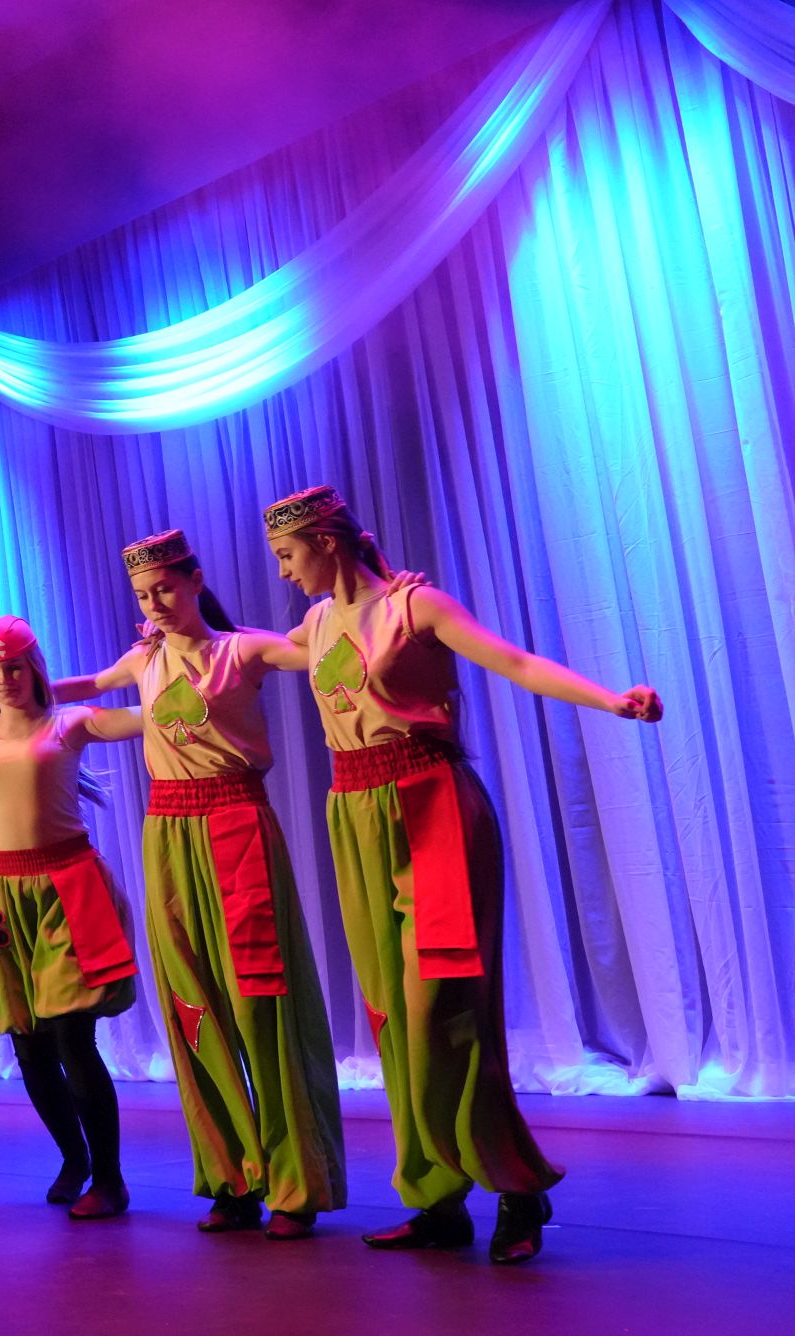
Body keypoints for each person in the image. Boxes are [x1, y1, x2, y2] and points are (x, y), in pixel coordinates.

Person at [259, 485, 661, 1265]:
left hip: (432, 807)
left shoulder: (418, 607)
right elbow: (242, 654)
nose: (282, 571)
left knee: (446, 1009)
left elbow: (517, 663)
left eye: (287, 554)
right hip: (354, 811)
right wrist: (176, 631)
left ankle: (516, 1184)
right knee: (390, 1013)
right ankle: (436, 1197)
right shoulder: (316, 623)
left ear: (326, 542)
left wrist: (612, 701)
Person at [53, 530, 346, 1239]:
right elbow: (86, 687)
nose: (155, 604)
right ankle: (232, 1179)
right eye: (143, 595)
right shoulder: (144, 658)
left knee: (261, 1003)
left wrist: (366, 594)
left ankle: (294, 1183)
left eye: (165, 588)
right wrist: (11, 694)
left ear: (194, 580)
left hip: (236, 824)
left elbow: (312, 649)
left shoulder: (242, 650)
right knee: (194, 1007)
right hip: (168, 832)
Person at [0, 616, 142, 1220]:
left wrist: (160, 660)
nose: (3, 680)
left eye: (14, 667)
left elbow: (144, 717)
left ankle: (110, 1180)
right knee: (28, 1043)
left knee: (73, 1036)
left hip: (68, 889)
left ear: (34, 667)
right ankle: (74, 1160)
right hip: (3, 895)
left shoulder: (68, 724)